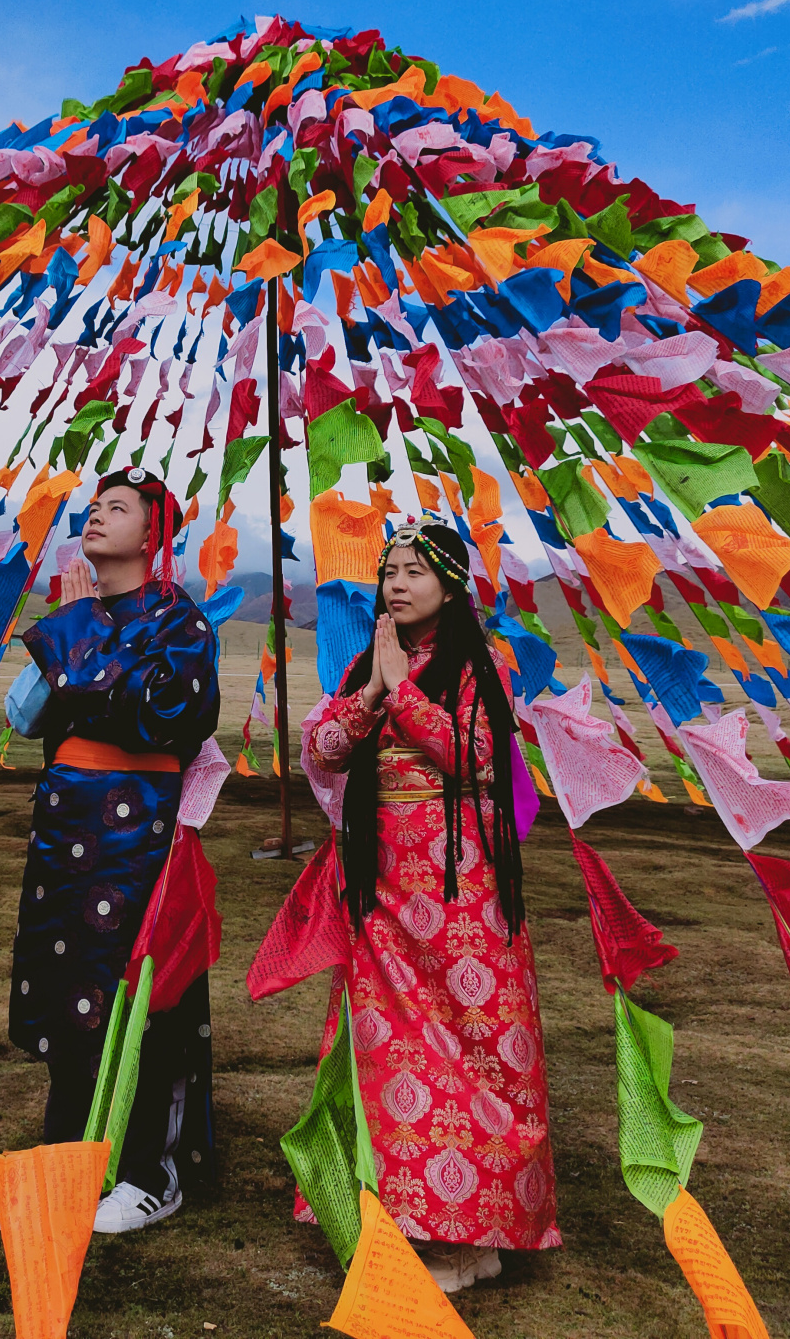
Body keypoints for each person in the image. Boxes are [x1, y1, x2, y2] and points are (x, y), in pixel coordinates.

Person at [304, 517, 558, 1292]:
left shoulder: (479, 666)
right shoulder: (370, 662)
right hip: (380, 893)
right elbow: (320, 750)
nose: (397, 584)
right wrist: (374, 687)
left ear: (450, 586)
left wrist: (402, 691)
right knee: (394, 1054)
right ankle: (406, 1219)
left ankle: (475, 1238)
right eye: (390, 572)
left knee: (473, 1054)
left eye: (414, 571)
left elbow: (468, 753)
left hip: (460, 897)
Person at [0, 466, 221, 1234]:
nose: (95, 517)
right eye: (93, 507)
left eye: (116, 509)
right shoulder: (73, 619)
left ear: (153, 534)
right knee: (67, 990)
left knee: (136, 990)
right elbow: (22, 716)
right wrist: (68, 649)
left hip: (134, 829)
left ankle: (148, 1173)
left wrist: (76, 661)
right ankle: (67, 1164)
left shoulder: (181, 623)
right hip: (65, 826)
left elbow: (163, 715)